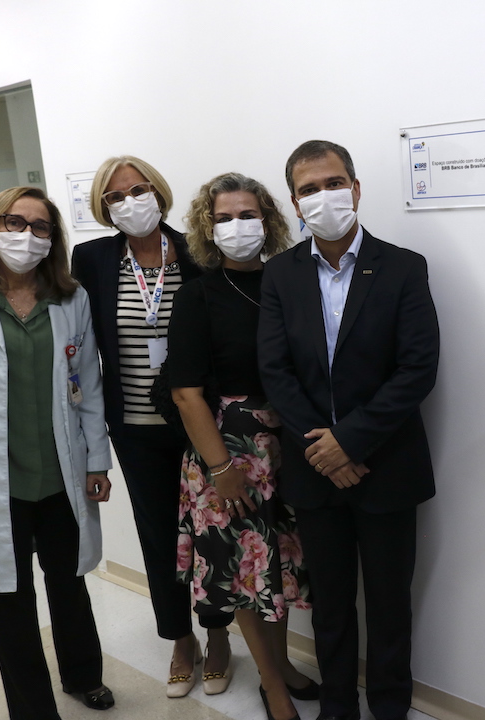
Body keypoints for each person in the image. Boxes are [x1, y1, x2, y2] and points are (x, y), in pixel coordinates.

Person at [258, 140, 440, 720]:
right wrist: (326, 449)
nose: (324, 196)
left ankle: (389, 706)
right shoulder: (279, 274)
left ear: (356, 189)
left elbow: (418, 369)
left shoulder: (404, 267)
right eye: (309, 189)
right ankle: (338, 705)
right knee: (331, 605)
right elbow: (275, 371)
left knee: (389, 604)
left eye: (334, 183)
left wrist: (351, 442)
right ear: (294, 203)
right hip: (315, 470)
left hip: (387, 466)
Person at [0, 187, 114, 719]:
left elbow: (88, 385)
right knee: (9, 596)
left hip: (60, 471)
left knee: (69, 582)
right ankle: (32, 707)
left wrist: (96, 460)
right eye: (15, 222)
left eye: (40, 226)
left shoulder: (70, 298)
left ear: (53, 238)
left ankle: (83, 675)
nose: (27, 235)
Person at [70, 156, 232, 697]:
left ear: (158, 192)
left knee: (211, 533)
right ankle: (180, 639)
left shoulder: (196, 251)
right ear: (104, 207)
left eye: (138, 190)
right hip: (134, 427)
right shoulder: (93, 259)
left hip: (196, 421)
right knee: (159, 537)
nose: (129, 202)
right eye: (115, 197)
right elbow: (83, 339)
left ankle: (218, 635)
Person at [169, 172, 317, 720]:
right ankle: (272, 685)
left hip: (285, 447)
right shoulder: (198, 295)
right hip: (226, 453)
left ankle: (282, 667)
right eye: (224, 218)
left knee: (277, 566)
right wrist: (220, 467)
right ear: (207, 228)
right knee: (244, 572)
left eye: (248, 215)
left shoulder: (289, 281)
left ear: (269, 220)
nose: (237, 226)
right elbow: (185, 393)